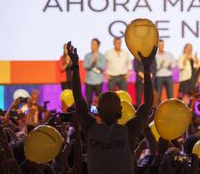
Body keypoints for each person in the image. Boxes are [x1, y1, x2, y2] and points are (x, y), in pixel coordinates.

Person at [67, 41, 157, 174]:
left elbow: (79, 99)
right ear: (121, 110)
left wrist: (75, 65)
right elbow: (148, 103)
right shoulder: (128, 132)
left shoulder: (90, 128)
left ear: (98, 111)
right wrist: (147, 68)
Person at [83, 38, 106, 105]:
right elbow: (85, 66)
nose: (92, 46)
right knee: (88, 100)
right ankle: (89, 114)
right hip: (89, 81)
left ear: (98, 45)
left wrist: (96, 62)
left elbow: (102, 67)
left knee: (99, 100)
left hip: (98, 81)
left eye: (94, 44)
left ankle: (98, 113)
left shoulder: (101, 56)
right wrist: (92, 63)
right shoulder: (87, 55)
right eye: (92, 44)